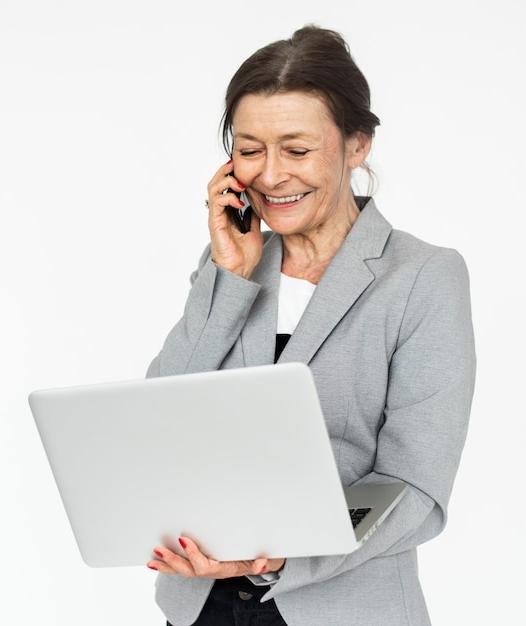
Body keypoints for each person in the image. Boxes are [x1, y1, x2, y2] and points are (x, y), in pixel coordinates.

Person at [145, 24, 476, 626]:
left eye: (296, 150)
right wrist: (230, 280)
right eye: (250, 150)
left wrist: (274, 559)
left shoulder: (424, 277)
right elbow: (161, 417)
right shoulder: (230, 263)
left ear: (357, 144)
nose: (271, 177)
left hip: (340, 607)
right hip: (200, 606)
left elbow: (412, 487)